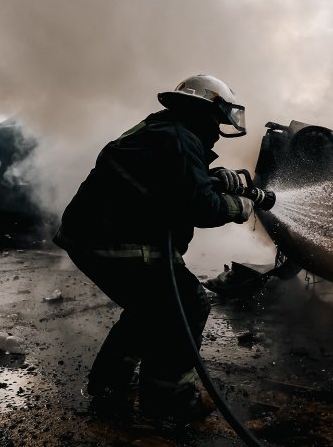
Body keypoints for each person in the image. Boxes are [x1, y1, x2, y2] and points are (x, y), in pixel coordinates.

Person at [53, 74, 267, 422]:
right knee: (188, 303)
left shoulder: (161, 130)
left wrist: (214, 177)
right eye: (219, 117)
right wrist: (237, 206)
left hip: (92, 238)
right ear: (207, 112)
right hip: (117, 242)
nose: (219, 127)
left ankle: (107, 384)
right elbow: (199, 207)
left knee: (147, 309)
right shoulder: (180, 139)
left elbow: (170, 183)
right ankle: (168, 398)